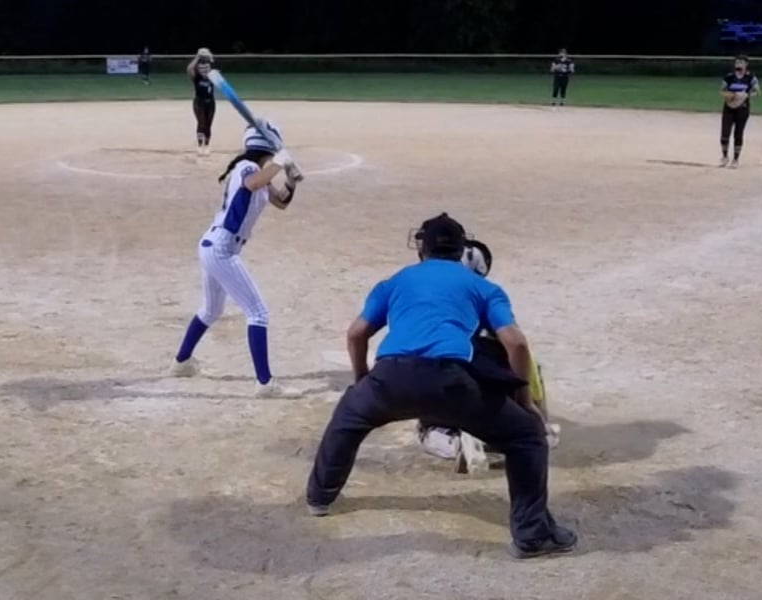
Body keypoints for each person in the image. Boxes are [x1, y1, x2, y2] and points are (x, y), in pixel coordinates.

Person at [304, 213, 576, 559]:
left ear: (422, 247)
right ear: (461, 250)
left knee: (347, 419)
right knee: (527, 436)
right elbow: (516, 344)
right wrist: (524, 401)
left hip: (390, 379)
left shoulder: (396, 281)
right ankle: (532, 535)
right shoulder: (482, 287)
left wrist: (362, 382)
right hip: (451, 383)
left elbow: (356, 334)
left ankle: (319, 498)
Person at [170, 122, 306, 396]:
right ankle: (265, 383)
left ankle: (181, 362)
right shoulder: (248, 169)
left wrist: (290, 181)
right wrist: (279, 163)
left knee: (211, 310)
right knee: (258, 313)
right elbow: (252, 183)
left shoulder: (258, 173)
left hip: (215, 247)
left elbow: (280, 202)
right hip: (221, 248)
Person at [414, 234, 560, 475]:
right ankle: (533, 430)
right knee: (529, 365)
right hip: (496, 403)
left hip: (448, 392)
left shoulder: (427, 304)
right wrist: (533, 411)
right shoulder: (493, 303)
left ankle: (456, 442)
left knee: (427, 428)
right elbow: (522, 355)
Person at [719, 56, 760, 168]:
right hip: (729, 107)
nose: (738, 64)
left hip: (742, 108)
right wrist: (730, 95)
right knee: (725, 133)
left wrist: (747, 95)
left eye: (741, 62)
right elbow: (722, 91)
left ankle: (735, 159)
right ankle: (724, 157)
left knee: (738, 133)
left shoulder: (751, 78)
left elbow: (757, 92)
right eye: (737, 62)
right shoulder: (729, 77)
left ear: (746, 64)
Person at [188, 47, 218, 156]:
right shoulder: (196, 77)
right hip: (199, 102)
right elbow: (190, 69)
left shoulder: (212, 77)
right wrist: (197, 57)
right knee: (201, 123)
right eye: (202, 68)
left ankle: (207, 145)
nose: (204, 70)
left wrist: (208, 57)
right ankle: (200, 145)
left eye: (206, 68)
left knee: (209, 124)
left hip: (210, 102)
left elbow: (213, 64)